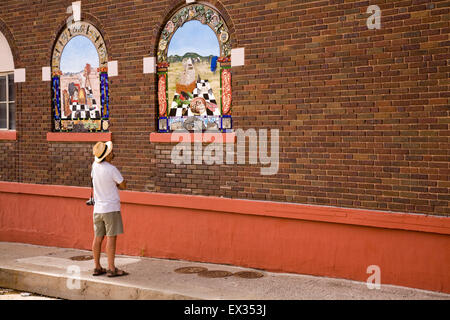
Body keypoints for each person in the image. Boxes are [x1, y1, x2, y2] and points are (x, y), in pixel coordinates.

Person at [91, 141, 128, 277]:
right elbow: (123, 184)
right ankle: (111, 268)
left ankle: (97, 267)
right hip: (111, 208)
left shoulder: (94, 166)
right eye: (110, 153)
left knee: (98, 238)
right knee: (111, 238)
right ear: (106, 156)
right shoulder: (111, 169)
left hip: (98, 209)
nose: (112, 154)